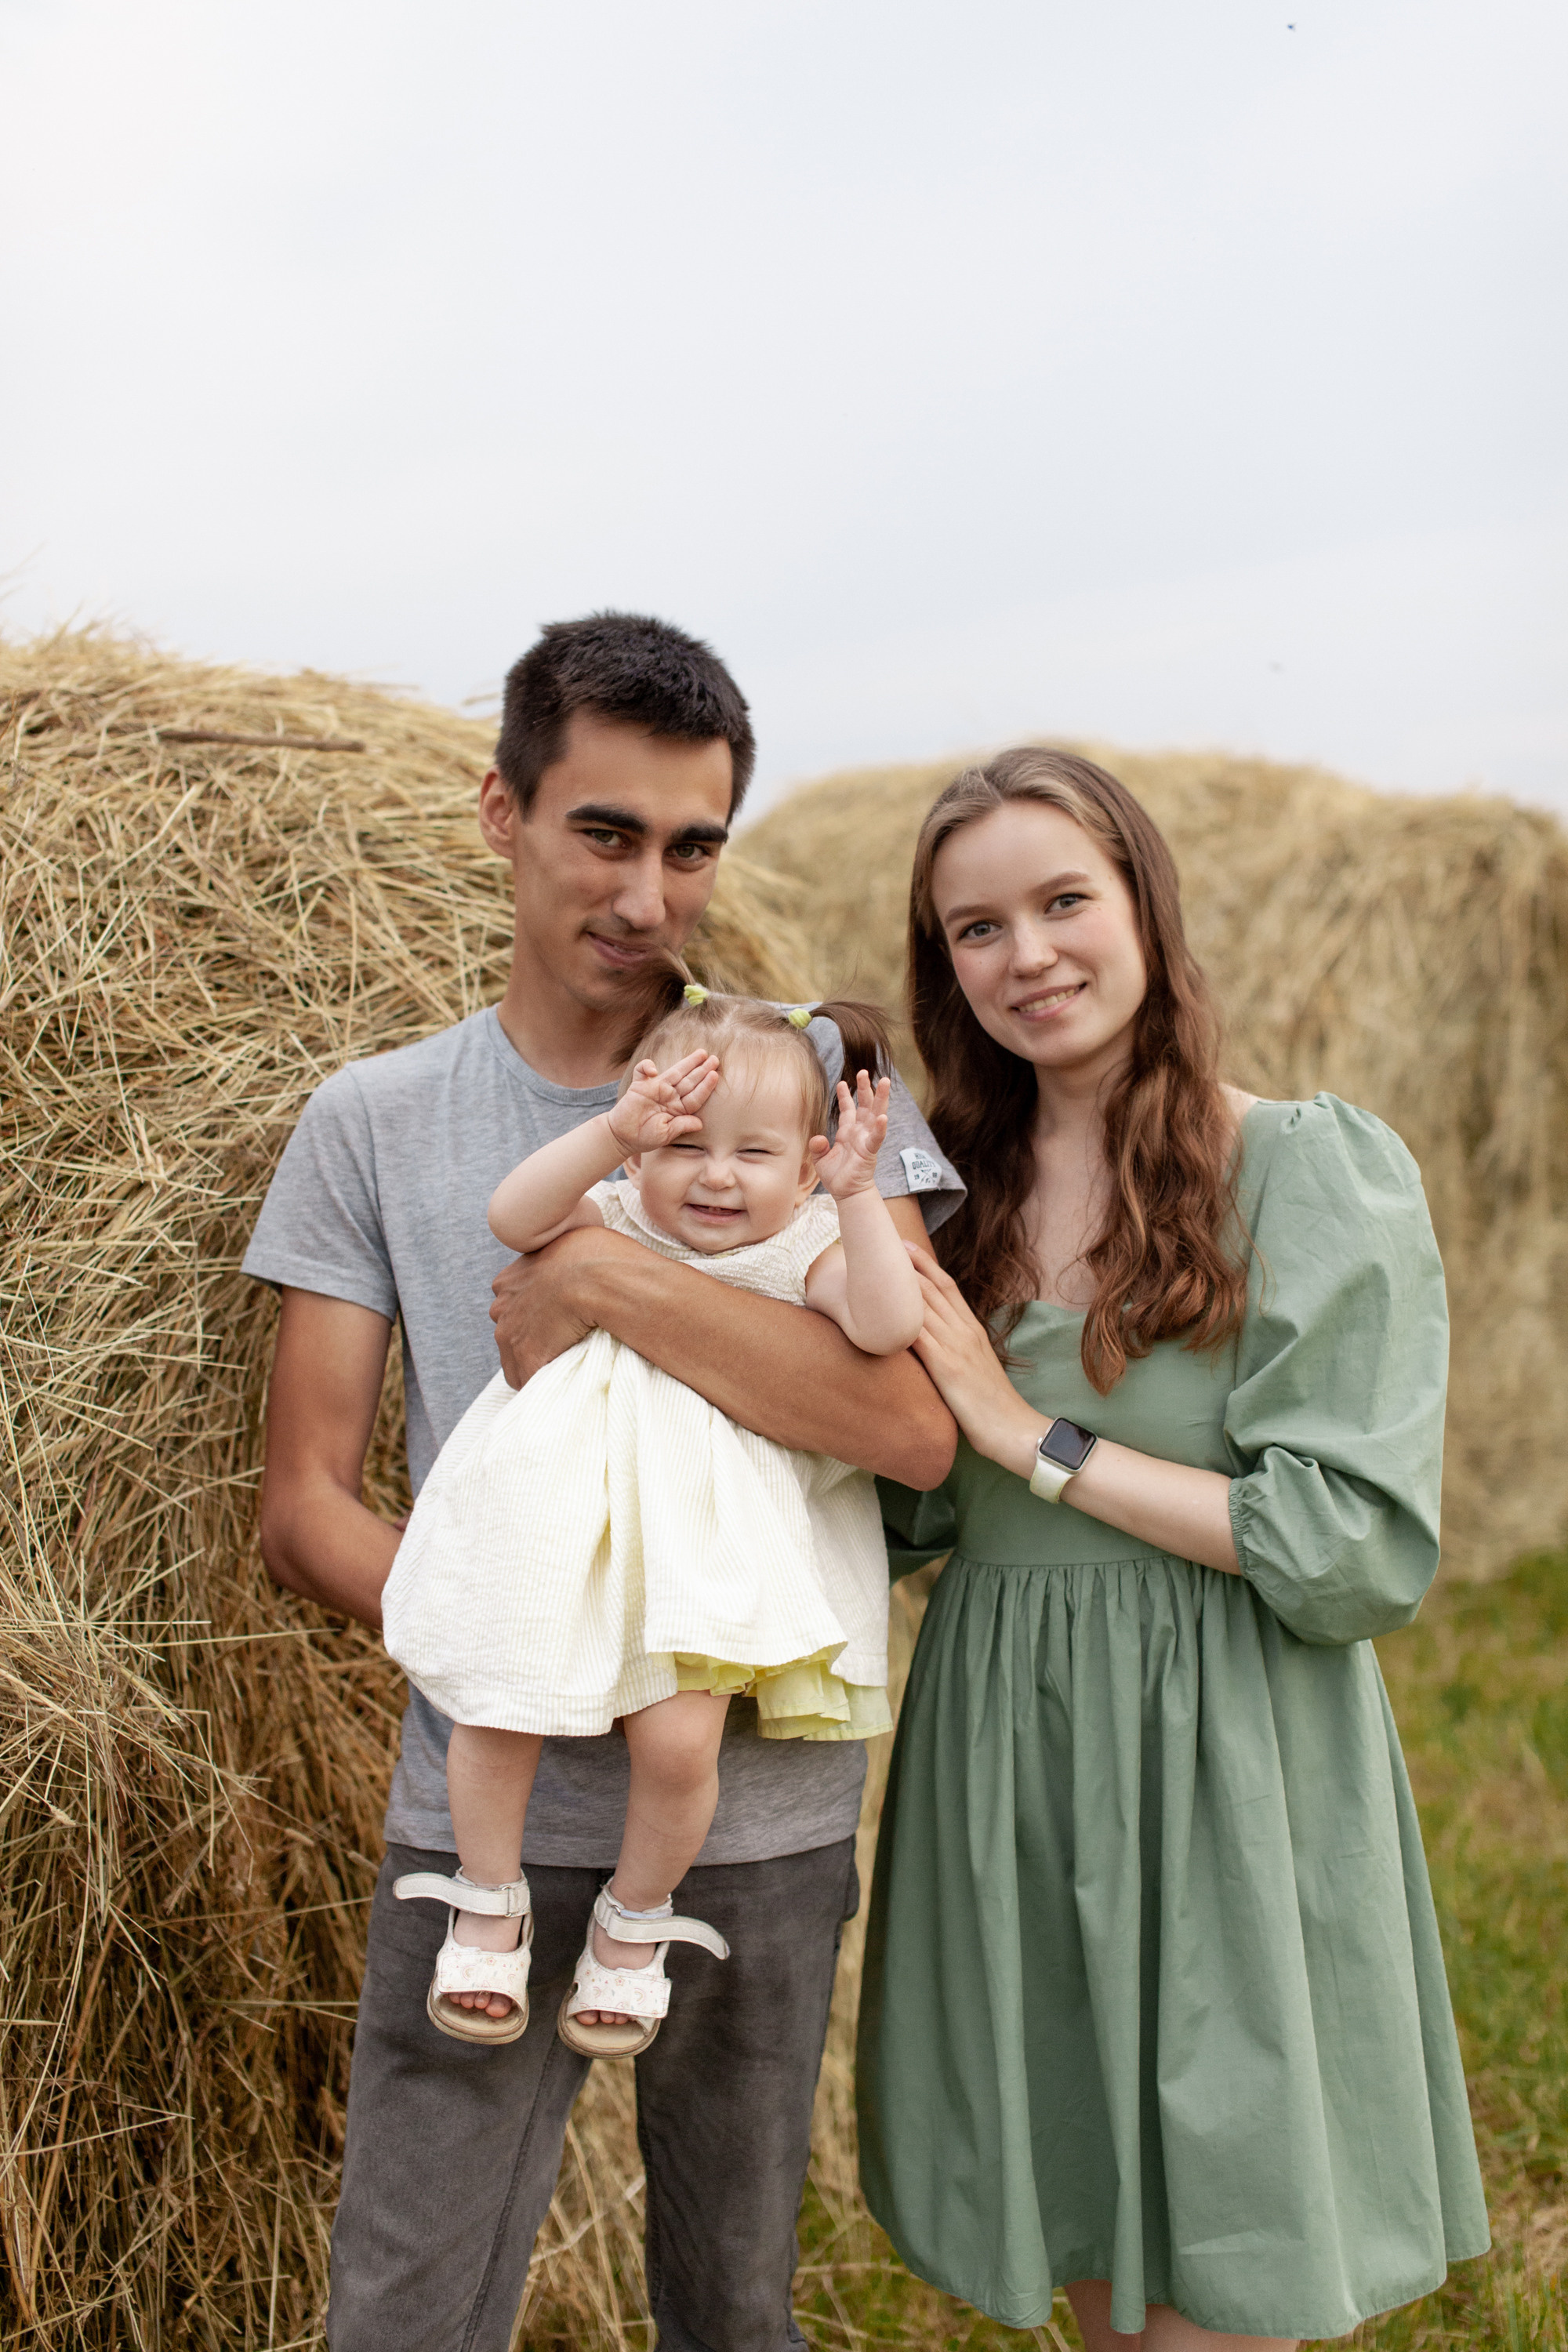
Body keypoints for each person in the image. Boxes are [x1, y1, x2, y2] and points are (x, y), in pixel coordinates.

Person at [244, 611, 962, 2352]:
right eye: (605, 832)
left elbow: (915, 1435)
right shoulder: (377, 1122)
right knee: (404, 2315)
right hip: (476, 1819)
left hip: (752, 1824)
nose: (649, 892)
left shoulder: (823, 1098)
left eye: (692, 844)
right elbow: (308, 1502)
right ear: (503, 815)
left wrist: (610, 1282)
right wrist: (529, 1640)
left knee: (728, 2306)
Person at [855, 747, 1489, 2351]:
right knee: (1092, 2256)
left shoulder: (1300, 1167)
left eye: (1064, 900)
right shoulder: (945, 1209)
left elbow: (1345, 1549)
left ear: (1146, 902)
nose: (1029, 956)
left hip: (1223, 1757)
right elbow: (904, 1506)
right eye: (976, 929)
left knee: (1222, 2267)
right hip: (1008, 1757)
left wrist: (1035, 1439)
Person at [383, 973, 922, 2055]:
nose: (715, 1176)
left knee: (680, 1746)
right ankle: (487, 1901)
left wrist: (860, 1197)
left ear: (809, 1162)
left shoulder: (798, 1247)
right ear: (640, 1153)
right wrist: (609, 1138)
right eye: (683, 1144)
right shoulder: (616, 1209)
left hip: (697, 1553)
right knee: (497, 1708)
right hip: (556, 1530)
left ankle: (632, 1927)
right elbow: (513, 1216)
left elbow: (886, 1321)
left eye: (755, 1153)